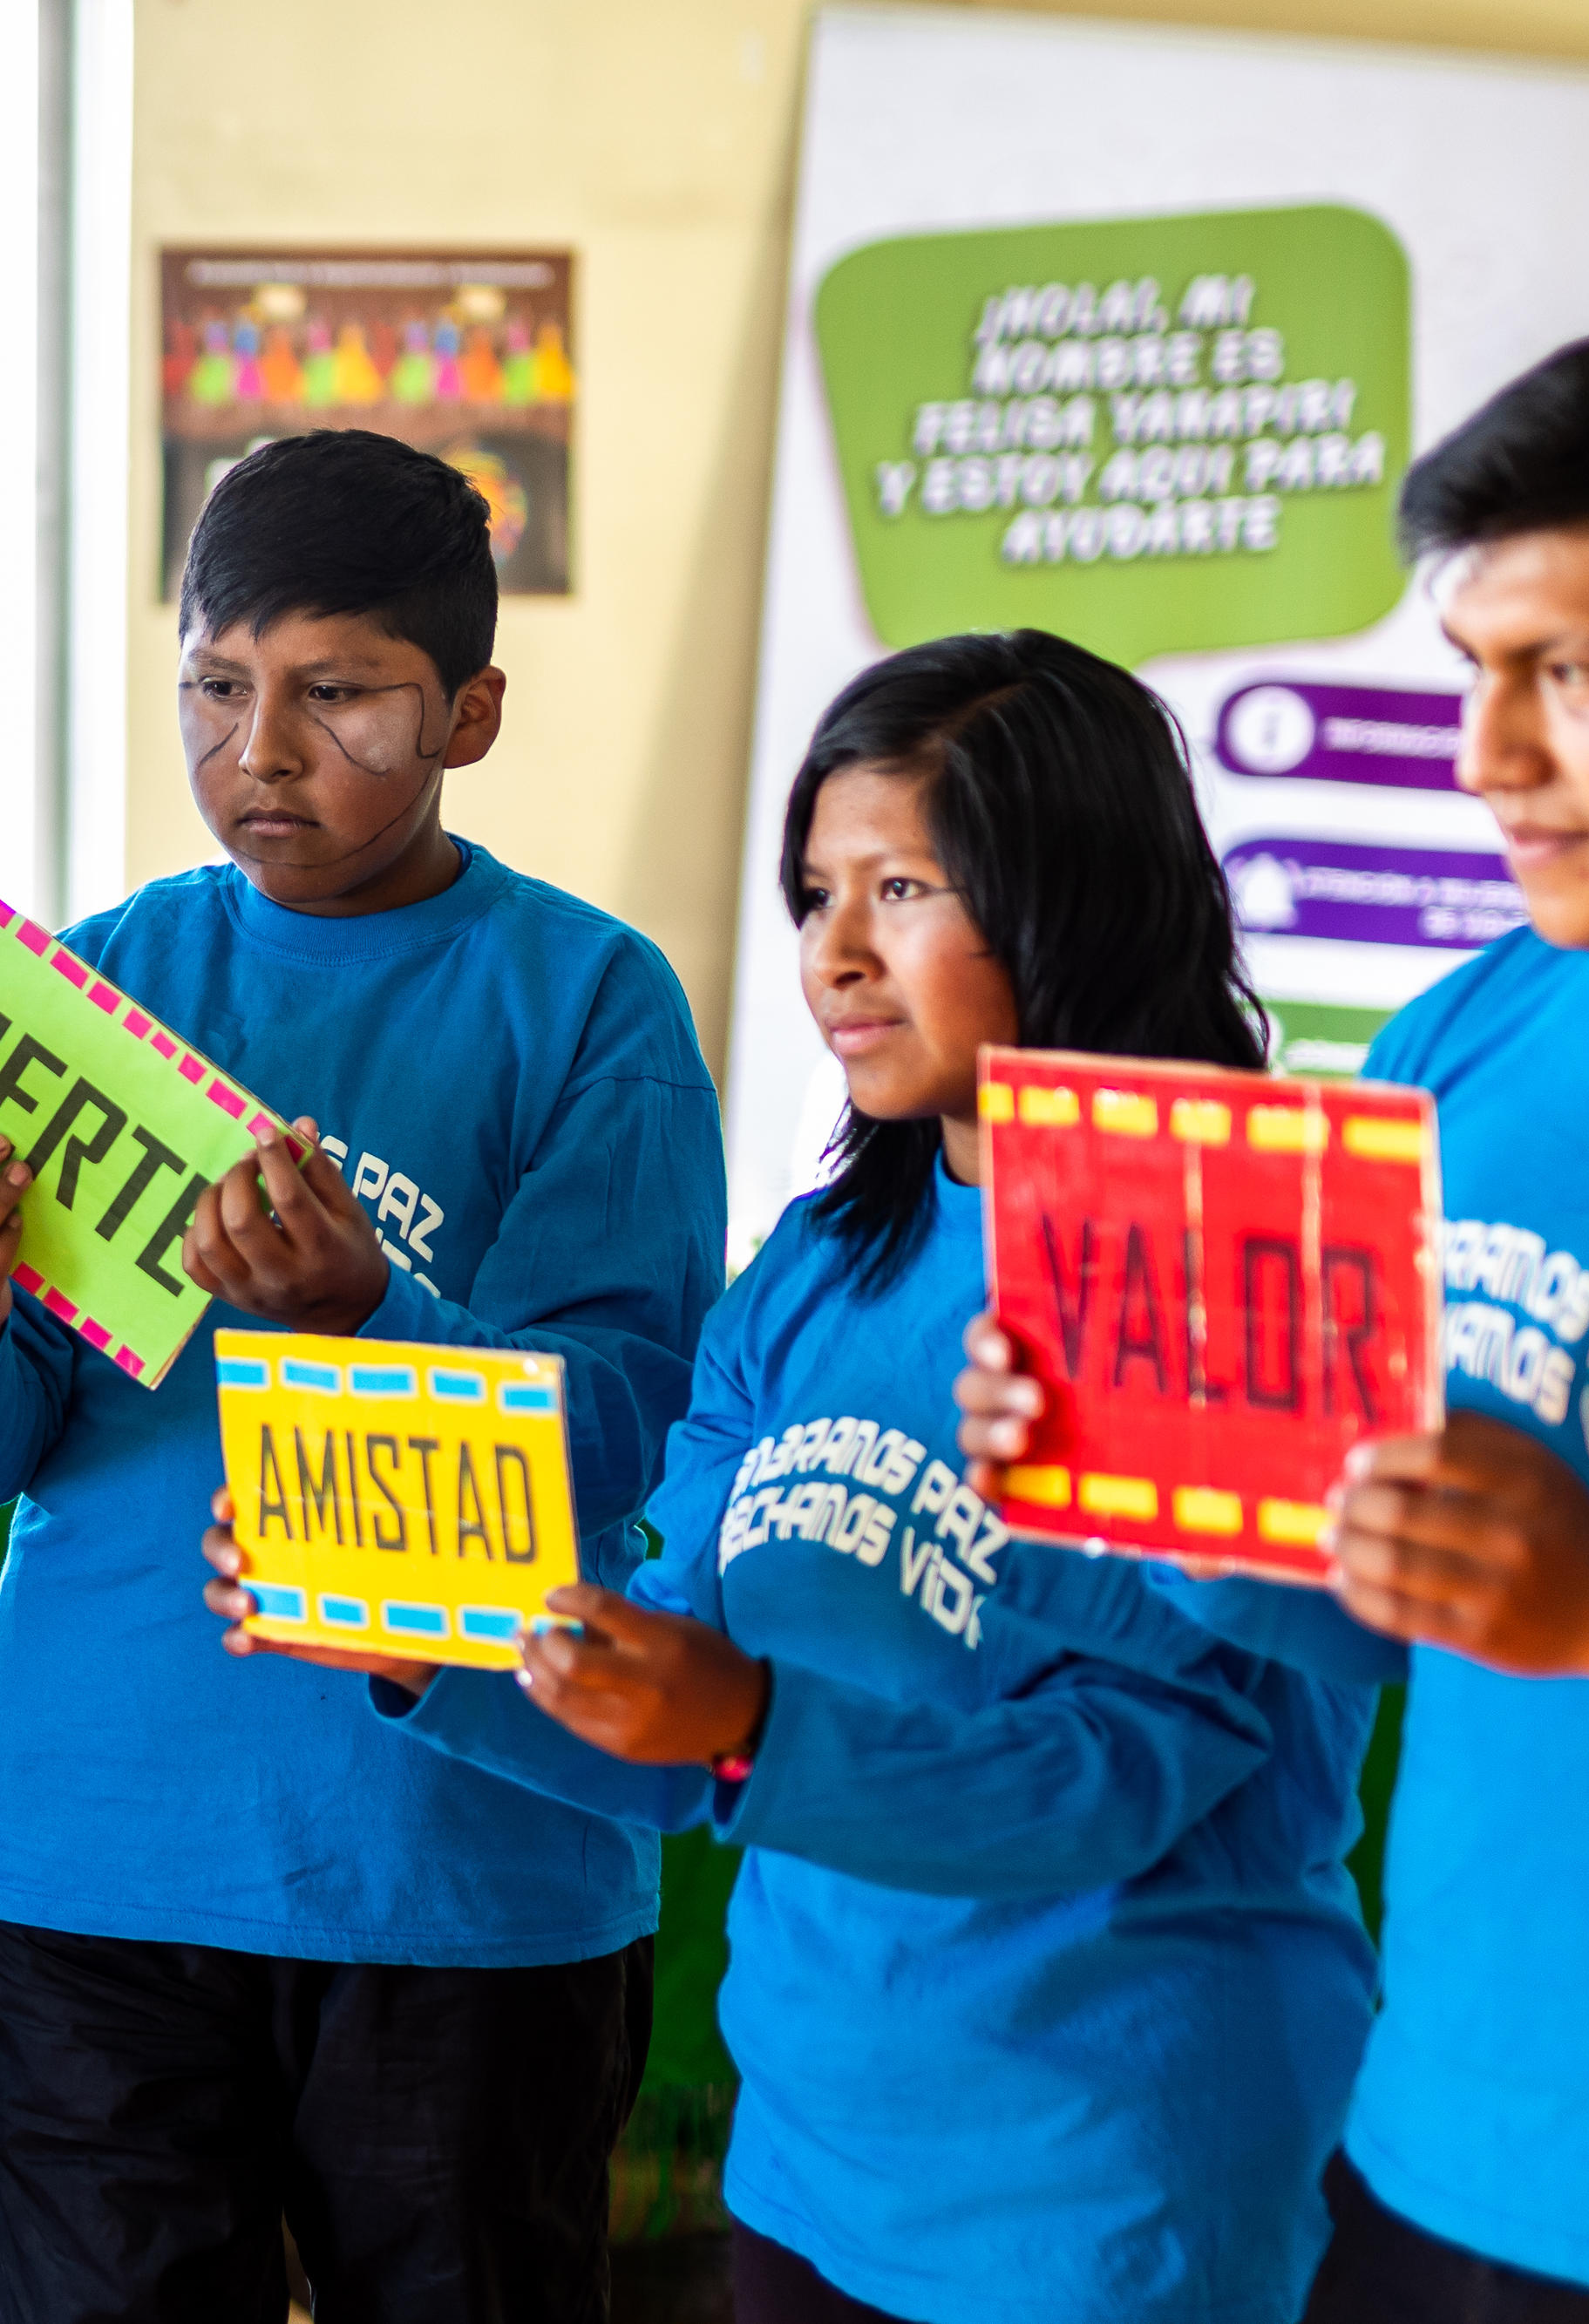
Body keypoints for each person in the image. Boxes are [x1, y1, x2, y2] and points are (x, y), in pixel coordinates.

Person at [212, 627, 1378, 2324]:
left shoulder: (1230, 1260)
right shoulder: (823, 1264)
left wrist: (743, 1719)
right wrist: (428, 1642)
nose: (832, 955)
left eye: (899, 889)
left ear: (1073, 900)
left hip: (1117, 2205)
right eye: (816, 891)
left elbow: (1118, 1773)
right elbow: (673, 1674)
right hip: (812, 2175)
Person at [0, 428, 723, 2324]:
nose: (258, 752)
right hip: (100, 1846)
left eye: (335, 697)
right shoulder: (89, 988)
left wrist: (367, 1315)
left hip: (464, 1862)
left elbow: (623, 1428)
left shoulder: (587, 1000)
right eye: (215, 687)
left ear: (468, 713)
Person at [959, 320, 1589, 2319]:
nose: (1485, 759)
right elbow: (1351, 1607)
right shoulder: (1457, 1036)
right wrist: (1131, 1480)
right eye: (1474, 675)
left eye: (1578, 675)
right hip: (1432, 2143)